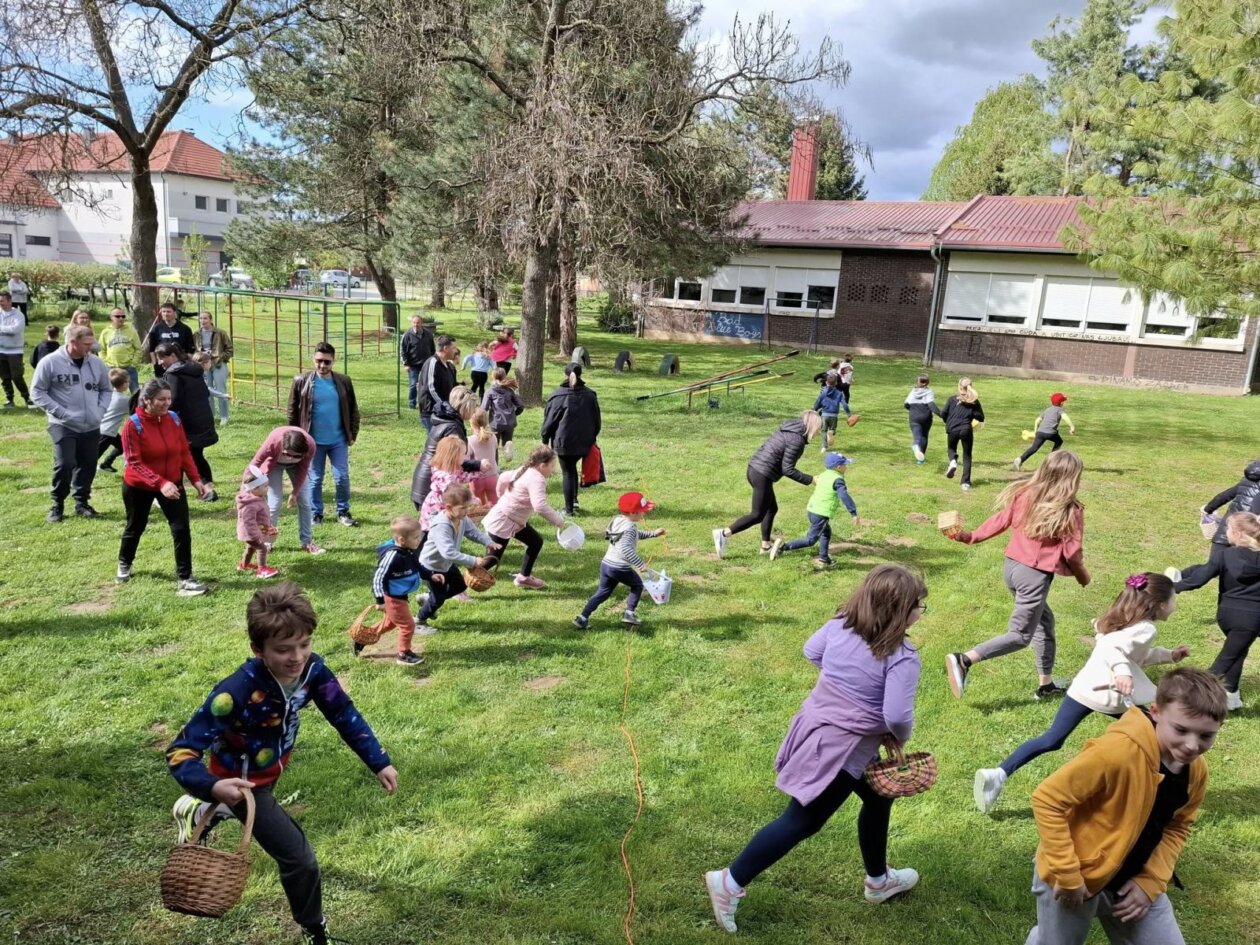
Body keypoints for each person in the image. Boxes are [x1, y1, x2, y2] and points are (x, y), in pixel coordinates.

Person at [166, 582, 398, 945]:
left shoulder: (313, 671)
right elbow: (180, 750)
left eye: (304, 644)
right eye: (283, 649)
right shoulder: (236, 691)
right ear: (257, 649)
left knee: (264, 823)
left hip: (270, 771)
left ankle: (201, 810)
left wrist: (378, 761)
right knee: (299, 859)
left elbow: (343, 713)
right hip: (244, 787)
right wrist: (213, 784)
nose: (297, 657)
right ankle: (314, 931)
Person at [704, 565, 928, 934]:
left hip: (816, 727)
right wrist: (898, 737)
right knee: (803, 820)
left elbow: (812, 651)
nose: (921, 612)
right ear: (898, 611)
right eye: (918, 605)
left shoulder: (841, 624)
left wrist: (841, 685)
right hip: (841, 749)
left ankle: (878, 881)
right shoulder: (901, 656)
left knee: (877, 798)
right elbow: (897, 715)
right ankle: (729, 881)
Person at [1020, 668, 1225, 945]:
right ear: (1156, 712)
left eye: (1205, 736)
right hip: (1075, 876)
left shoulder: (1196, 772)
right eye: (1181, 729)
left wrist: (1150, 882)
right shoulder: (1117, 752)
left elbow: (1178, 826)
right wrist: (1067, 874)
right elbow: (1048, 798)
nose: (1191, 745)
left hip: (1135, 880)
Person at [974, 572, 1190, 814]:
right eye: (1174, 600)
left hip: (1084, 688)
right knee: (1158, 736)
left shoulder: (1128, 619)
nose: (1175, 606)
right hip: (1110, 696)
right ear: (1160, 605)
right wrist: (1122, 672)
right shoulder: (1146, 629)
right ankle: (1168, 796)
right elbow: (1113, 648)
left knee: (1052, 739)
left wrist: (1168, 655)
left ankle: (998, 774)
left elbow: (1130, 654)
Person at [944, 450, 1090, 700]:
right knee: (1021, 635)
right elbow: (1073, 552)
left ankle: (1046, 685)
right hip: (1033, 577)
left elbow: (1001, 520)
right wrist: (1082, 576)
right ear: (1071, 478)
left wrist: (971, 536)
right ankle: (964, 659)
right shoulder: (1069, 509)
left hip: (1012, 569)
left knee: (1044, 622)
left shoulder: (1026, 494)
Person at [116, 378, 210, 594]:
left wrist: (196, 479)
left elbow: (183, 451)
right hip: (139, 486)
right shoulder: (132, 425)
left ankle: (185, 579)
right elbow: (134, 462)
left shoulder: (174, 419)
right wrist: (160, 482)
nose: (167, 403)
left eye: (169, 399)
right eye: (161, 399)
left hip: (172, 483)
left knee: (181, 529)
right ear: (146, 400)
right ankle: (125, 562)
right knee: (135, 526)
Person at [1173, 511, 1260, 712]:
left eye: (1228, 528)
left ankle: (1231, 697)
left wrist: (1173, 587)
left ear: (1237, 534)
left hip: (1227, 616)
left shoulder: (1225, 555)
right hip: (1251, 620)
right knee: (1223, 663)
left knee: (1237, 652)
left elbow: (1198, 579)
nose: (1226, 532)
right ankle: (1188, 701)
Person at [30, 323, 112, 522]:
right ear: (72, 342)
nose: (90, 348)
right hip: (63, 424)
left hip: (91, 424)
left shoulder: (96, 363)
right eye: (86, 344)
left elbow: (106, 389)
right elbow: (37, 392)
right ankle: (57, 504)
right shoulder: (50, 362)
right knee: (65, 463)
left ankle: (81, 502)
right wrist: (61, 412)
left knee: (88, 463)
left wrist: (99, 411)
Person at [713, 411, 821, 559]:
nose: (818, 432)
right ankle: (723, 534)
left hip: (755, 469)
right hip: (761, 474)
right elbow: (787, 469)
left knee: (771, 508)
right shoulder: (797, 440)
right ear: (812, 426)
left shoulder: (788, 429)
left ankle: (765, 545)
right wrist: (811, 479)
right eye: (818, 428)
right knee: (757, 514)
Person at [287, 342, 361, 527]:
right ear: (313, 359)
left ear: (333, 361)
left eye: (327, 362)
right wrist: (296, 439)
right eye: (319, 361)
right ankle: (316, 513)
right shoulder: (301, 381)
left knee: (342, 477)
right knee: (315, 478)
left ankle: (343, 511)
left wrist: (352, 433)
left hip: (338, 440)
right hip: (312, 442)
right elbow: (292, 412)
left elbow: (353, 409)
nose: (322, 365)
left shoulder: (344, 381)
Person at [573, 491, 664, 630]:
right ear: (633, 512)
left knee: (603, 592)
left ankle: (582, 618)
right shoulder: (629, 528)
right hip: (619, 567)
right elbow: (626, 549)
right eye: (642, 511)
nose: (644, 514)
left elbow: (635, 535)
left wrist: (653, 534)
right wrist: (640, 564)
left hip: (606, 564)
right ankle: (629, 614)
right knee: (637, 585)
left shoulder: (619, 520)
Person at [417, 483, 499, 634]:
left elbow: (473, 532)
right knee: (439, 598)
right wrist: (473, 560)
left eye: (467, 507)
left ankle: (427, 598)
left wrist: (488, 541)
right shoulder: (441, 525)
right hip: (432, 567)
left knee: (460, 586)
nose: (466, 511)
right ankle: (419, 620)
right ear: (448, 507)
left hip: (446, 565)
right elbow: (448, 552)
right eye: (463, 508)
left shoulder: (461, 518)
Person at [483, 445, 566, 590]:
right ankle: (459, 585)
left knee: (535, 542)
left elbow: (503, 478)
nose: (553, 469)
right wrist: (558, 521)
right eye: (552, 466)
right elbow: (539, 506)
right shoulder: (537, 478)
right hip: (503, 522)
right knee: (491, 560)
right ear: (542, 465)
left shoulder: (525, 469)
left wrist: (500, 495)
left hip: (513, 520)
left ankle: (523, 577)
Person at [770, 452, 860, 569]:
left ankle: (824, 558)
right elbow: (844, 495)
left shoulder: (823, 475)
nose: (846, 467)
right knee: (810, 540)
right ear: (839, 467)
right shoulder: (837, 480)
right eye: (845, 464)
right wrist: (853, 513)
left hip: (812, 510)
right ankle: (783, 547)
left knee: (826, 533)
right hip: (821, 514)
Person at [154, 343, 219, 503]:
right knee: (196, 454)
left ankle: (173, 492)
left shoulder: (173, 374)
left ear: (173, 356)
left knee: (179, 457)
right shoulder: (194, 369)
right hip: (202, 419)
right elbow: (204, 392)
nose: (160, 362)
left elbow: (173, 400)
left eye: (163, 358)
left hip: (186, 423)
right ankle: (208, 488)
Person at [251, 426, 324, 556]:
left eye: (295, 455)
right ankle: (267, 542)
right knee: (274, 503)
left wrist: (295, 493)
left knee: (305, 502)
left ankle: (306, 543)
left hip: (298, 467)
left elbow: (303, 470)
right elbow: (254, 464)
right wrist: (245, 489)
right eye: (286, 454)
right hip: (274, 465)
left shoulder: (310, 445)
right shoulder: (273, 441)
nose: (290, 458)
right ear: (282, 447)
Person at [540, 362, 602, 516]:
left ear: (565, 375)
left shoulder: (557, 395)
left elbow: (549, 422)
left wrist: (545, 440)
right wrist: (592, 438)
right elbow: (597, 421)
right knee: (572, 468)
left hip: (564, 443)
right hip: (584, 442)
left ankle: (568, 510)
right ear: (580, 375)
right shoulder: (590, 395)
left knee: (568, 472)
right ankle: (574, 500)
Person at [411, 387, 483, 514]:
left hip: (426, 478)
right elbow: (454, 460)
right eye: (473, 408)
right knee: (433, 529)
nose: (474, 412)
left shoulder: (447, 419)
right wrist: (479, 465)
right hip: (433, 485)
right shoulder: (452, 428)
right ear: (464, 407)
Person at [366, 515, 426, 665]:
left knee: (391, 623)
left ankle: (363, 637)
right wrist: (380, 601)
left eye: (419, 537)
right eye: (416, 538)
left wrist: (432, 575)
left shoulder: (409, 551)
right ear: (402, 540)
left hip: (400, 595)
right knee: (408, 625)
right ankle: (403, 654)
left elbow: (417, 567)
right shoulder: (393, 555)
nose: (419, 540)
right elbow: (378, 577)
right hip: (392, 598)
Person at [418, 435, 485, 531]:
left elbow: (462, 477)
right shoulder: (446, 477)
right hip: (437, 509)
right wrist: (472, 499)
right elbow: (456, 494)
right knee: (437, 532)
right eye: (463, 454)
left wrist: (480, 473)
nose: (466, 456)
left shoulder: (450, 469)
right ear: (453, 456)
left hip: (443, 506)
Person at [941, 376, 985, 491]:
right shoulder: (974, 401)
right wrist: (973, 413)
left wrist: (948, 421)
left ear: (959, 387)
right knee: (967, 455)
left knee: (951, 449)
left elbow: (943, 413)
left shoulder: (952, 399)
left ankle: (953, 461)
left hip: (952, 429)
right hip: (966, 429)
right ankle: (965, 483)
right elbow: (981, 417)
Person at [236, 466, 279, 578]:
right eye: (264, 486)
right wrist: (256, 535)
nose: (267, 488)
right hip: (251, 532)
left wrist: (268, 526)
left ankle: (244, 565)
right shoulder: (249, 505)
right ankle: (262, 570)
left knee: (250, 548)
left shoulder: (258, 498)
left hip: (255, 531)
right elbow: (248, 522)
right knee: (262, 548)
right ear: (254, 489)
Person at [1016, 392, 1075, 470]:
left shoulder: (1047, 409)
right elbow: (1065, 417)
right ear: (1061, 403)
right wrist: (1072, 426)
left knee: (1034, 448)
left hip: (1040, 433)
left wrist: (1035, 432)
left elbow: (1037, 420)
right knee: (1059, 442)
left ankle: (1020, 459)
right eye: (1063, 401)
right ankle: (1051, 461)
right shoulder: (1059, 410)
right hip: (1051, 433)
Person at [193, 312, 233, 426]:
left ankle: (224, 416)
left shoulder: (220, 333)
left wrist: (220, 357)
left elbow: (230, 350)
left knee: (221, 390)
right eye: (200, 318)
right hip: (203, 364)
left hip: (218, 363)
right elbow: (194, 349)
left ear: (211, 319)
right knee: (206, 390)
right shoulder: (196, 334)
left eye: (205, 318)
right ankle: (210, 415)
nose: (203, 320)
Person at [418, 334, 458, 434]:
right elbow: (430, 388)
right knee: (435, 443)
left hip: (444, 411)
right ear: (445, 348)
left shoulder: (448, 365)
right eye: (453, 348)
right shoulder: (432, 362)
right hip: (431, 411)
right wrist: (444, 404)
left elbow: (452, 385)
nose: (455, 351)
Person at [0, 290, 34, 409]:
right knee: (5, 377)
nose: (0, 303)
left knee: (17, 376)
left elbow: (16, 330)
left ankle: (27, 398)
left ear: (10, 301)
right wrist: (6, 329)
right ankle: (10, 400)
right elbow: (10, 329)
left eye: (2, 301)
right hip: (1, 351)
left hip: (14, 351)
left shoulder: (18, 315)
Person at [143, 302, 194, 377]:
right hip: (162, 365)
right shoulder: (156, 329)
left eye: (168, 311)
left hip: (180, 364)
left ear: (174, 312)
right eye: (164, 311)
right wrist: (155, 363)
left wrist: (187, 363)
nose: (166, 314)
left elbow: (190, 349)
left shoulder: (185, 329)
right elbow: (152, 349)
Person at [482, 367, 524, 459]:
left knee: (494, 447)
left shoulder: (490, 392)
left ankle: (496, 466)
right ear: (504, 376)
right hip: (510, 422)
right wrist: (514, 414)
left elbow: (484, 408)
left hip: (495, 423)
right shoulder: (510, 391)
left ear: (492, 377)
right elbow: (520, 406)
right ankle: (507, 451)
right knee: (507, 442)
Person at [98, 307, 143, 391]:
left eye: (123, 316)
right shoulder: (105, 332)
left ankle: (136, 404)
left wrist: (133, 363)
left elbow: (138, 349)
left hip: (129, 368)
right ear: (111, 317)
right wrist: (105, 362)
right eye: (117, 316)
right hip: (111, 368)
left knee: (135, 392)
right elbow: (101, 349)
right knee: (109, 392)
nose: (121, 318)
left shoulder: (131, 331)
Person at [97, 368, 131, 473]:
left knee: (123, 446)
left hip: (105, 429)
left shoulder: (108, 394)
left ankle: (106, 464)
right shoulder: (124, 400)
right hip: (106, 433)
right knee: (92, 458)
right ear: (124, 384)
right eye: (128, 382)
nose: (129, 384)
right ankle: (73, 479)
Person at [904, 373, 942, 465]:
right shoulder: (929, 391)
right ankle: (921, 460)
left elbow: (906, 404)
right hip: (926, 417)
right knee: (924, 436)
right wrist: (942, 415)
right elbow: (931, 405)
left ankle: (916, 446)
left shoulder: (913, 391)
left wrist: (912, 410)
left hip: (914, 417)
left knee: (917, 436)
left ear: (919, 382)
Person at [812, 373, 856, 451]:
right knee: (832, 430)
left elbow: (818, 403)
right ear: (836, 383)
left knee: (823, 431)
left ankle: (824, 447)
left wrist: (814, 410)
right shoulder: (839, 393)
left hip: (824, 415)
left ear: (826, 382)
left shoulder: (823, 392)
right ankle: (831, 432)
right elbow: (844, 404)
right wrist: (849, 414)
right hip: (834, 415)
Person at [399, 314, 435, 412]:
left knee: (427, 384)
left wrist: (432, 361)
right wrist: (406, 364)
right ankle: (412, 403)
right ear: (411, 323)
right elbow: (402, 350)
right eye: (414, 322)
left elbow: (432, 349)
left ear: (421, 323)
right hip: (413, 364)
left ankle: (425, 403)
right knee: (413, 384)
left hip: (426, 364)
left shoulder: (428, 334)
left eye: (418, 322)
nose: (416, 324)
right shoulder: (407, 335)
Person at [467, 408, 500, 507]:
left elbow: (467, 460)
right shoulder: (493, 437)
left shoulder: (469, 440)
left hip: (477, 478)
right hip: (493, 476)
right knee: (495, 505)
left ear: (471, 423)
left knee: (480, 506)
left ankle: (482, 520)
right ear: (487, 421)